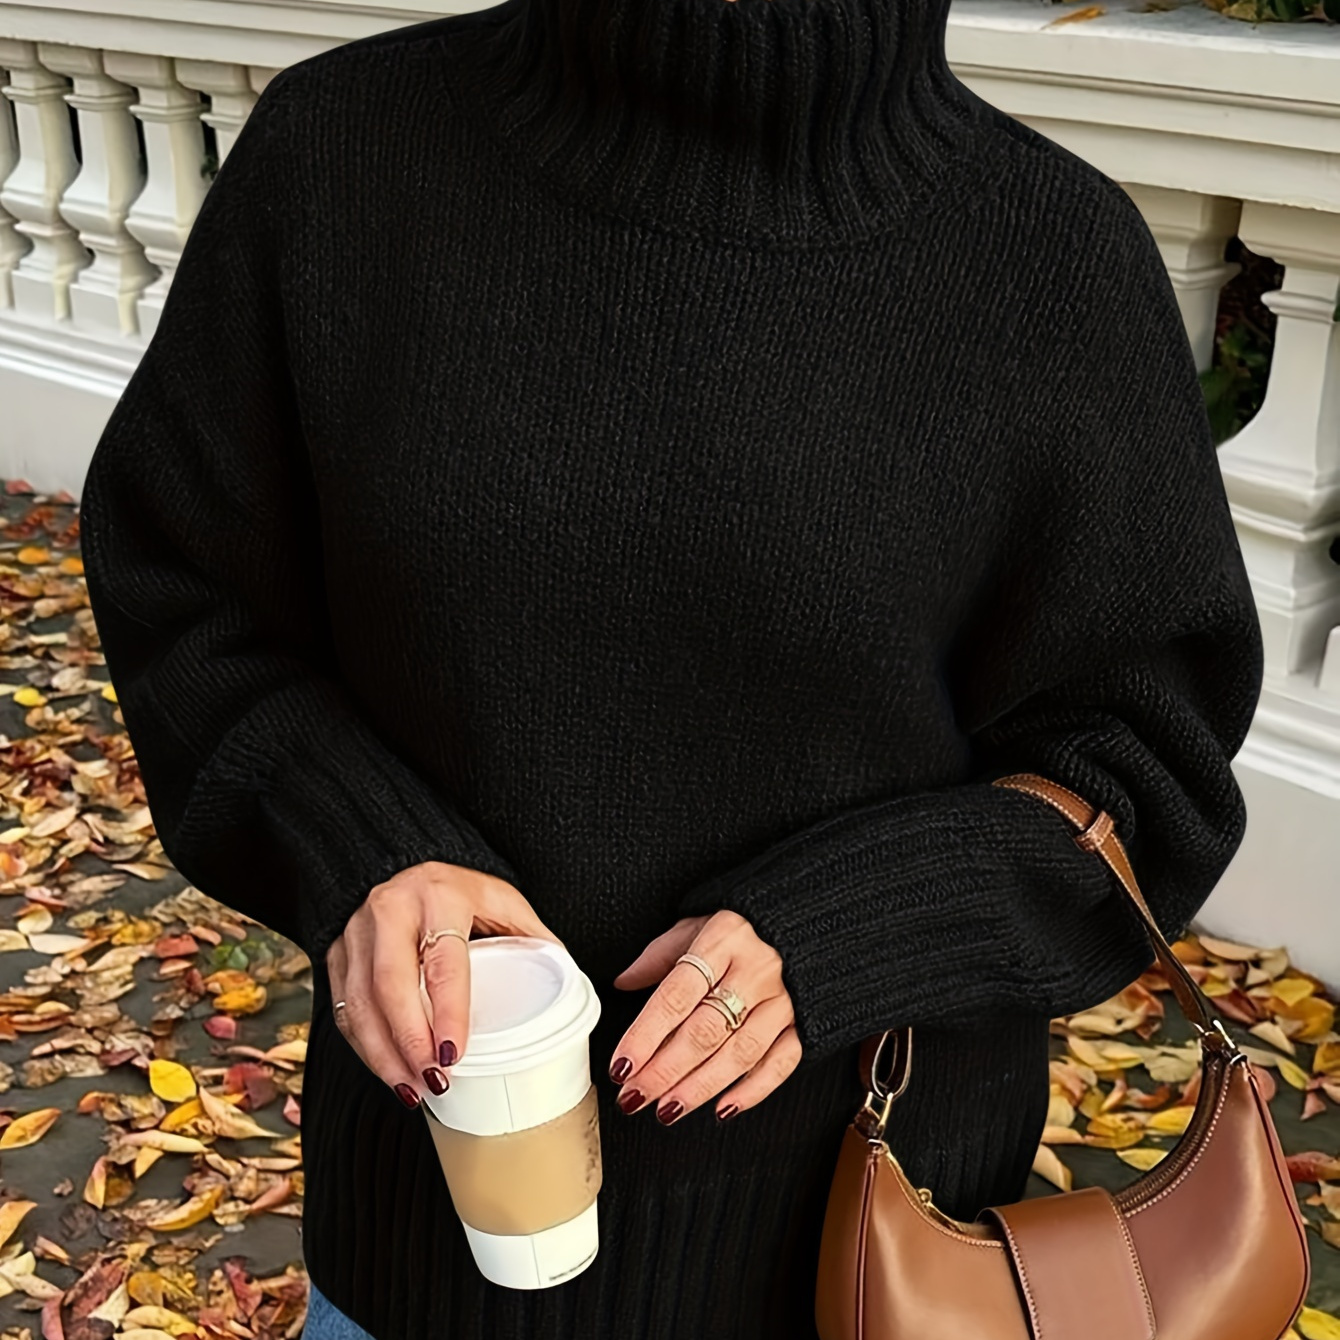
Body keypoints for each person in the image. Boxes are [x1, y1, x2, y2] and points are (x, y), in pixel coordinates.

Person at [76, 0, 1265, 1334]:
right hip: (427, 1243)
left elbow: (1142, 758)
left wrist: (858, 927)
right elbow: (189, 588)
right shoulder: (343, 159)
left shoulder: (1050, 262)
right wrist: (361, 843)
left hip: (884, 1261)